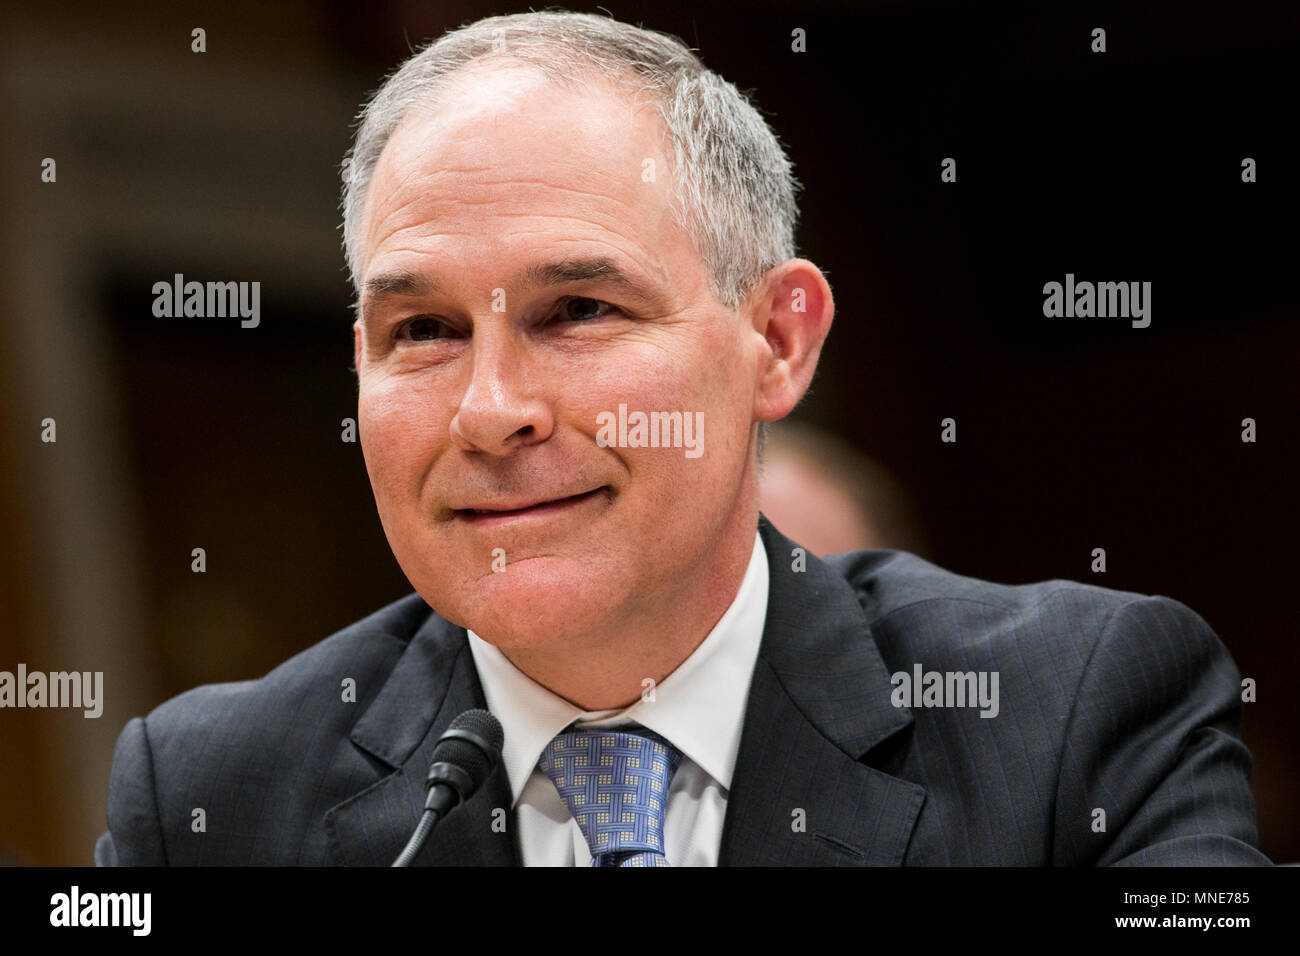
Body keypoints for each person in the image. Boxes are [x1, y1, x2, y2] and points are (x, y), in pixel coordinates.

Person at [95, 10, 1268, 866]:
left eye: (580, 310)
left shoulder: (1075, 715)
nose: (491, 406)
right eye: (424, 328)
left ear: (776, 339)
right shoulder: (207, 797)